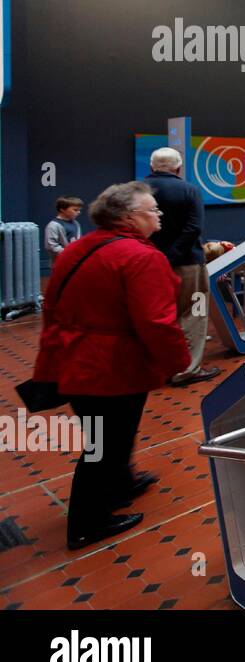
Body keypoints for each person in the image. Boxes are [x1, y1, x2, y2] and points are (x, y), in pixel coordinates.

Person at [34, 182, 190, 549]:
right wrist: (177, 362)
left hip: (72, 359)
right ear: (128, 217)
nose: (158, 214)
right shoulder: (141, 257)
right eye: (152, 209)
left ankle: (121, 483)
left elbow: (52, 304)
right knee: (105, 446)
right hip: (110, 367)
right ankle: (88, 523)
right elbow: (156, 322)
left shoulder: (79, 248)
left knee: (107, 435)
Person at [146, 148, 219, 384]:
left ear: (151, 167)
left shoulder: (136, 190)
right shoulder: (189, 190)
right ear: (178, 169)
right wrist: (172, 256)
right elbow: (194, 228)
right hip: (189, 266)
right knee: (194, 313)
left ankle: (157, 366)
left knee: (157, 315)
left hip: (147, 266)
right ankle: (187, 369)